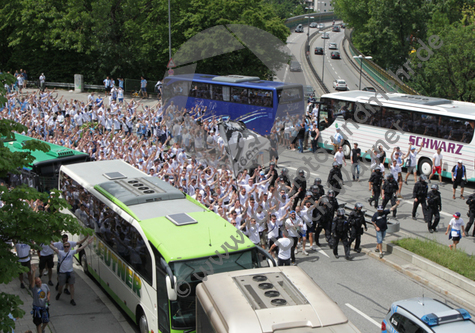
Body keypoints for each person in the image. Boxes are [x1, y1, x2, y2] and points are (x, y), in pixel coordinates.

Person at [50, 237, 93, 305]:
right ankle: (59, 293)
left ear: (69, 247)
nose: (66, 248)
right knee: (61, 285)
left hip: (70, 271)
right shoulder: (61, 253)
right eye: (65, 246)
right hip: (62, 272)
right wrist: (47, 243)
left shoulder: (71, 252)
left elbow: (80, 248)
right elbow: (53, 248)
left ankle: (72, 299)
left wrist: (87, 243)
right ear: (63, 247)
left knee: (71, 285)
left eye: (67, 246)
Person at [30, 265, 50, 333]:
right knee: (38, 324)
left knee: (46, 321)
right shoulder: (34, 289)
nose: (39, 282)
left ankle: (42, 329)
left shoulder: (45, 286)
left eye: (39, 281)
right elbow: (32, 281)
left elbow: (48, 292)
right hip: (37, 308)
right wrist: (34, 272)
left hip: (45, 307)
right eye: (37, 282)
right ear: (35, 283)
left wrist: (48, 296)